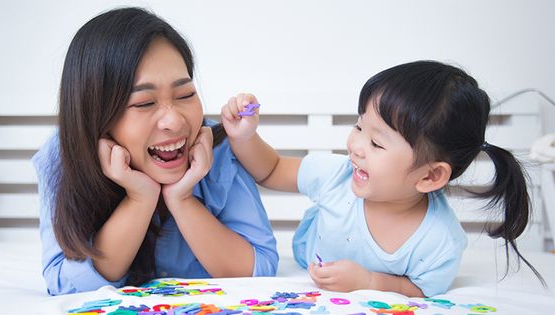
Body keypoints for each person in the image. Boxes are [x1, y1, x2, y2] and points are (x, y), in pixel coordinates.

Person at [221, 60, 544, 297]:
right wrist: (245, 137)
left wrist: (369, 282)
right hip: (307, 261)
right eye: (359, 126)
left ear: (431, 175)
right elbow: (272, 169)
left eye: (376, 143)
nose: (356, 146)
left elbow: (419, 289)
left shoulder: (439, 243)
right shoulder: (337, 177)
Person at [32, 7, 278, 295]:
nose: (175, 122)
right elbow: (64, 284)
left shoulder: (218, 146)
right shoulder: (64, 155)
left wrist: (182, 199)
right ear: (97, 115)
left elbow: (259, 268)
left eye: (185, 94)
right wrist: (139, 200)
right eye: (144, 103)